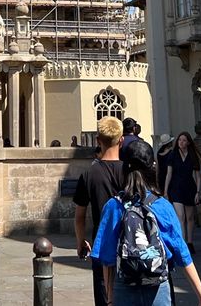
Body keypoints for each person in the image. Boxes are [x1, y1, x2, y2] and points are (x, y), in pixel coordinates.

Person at [92, 138, 201, 306]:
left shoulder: (114, 206)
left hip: (124, 285)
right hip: (158, 285)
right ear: (152, 166)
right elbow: (181, 251)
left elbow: (107, 258)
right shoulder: (162, 205)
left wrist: (110, 297)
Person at [73, 116, 127, 306]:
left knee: (104, 295)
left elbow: (80, 217)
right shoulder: (130, 172)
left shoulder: (89, 174)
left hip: (101, 241)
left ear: (98, 140)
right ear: (121, 139)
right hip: (129, 240)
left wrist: (81, 242)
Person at [161, 132, 200, 250]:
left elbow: (197, 175)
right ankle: (183, 243)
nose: (181, 142)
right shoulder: (173, 155)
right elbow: (169, 173)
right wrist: (166, 191)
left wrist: (198, 192)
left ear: (188, 142)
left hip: (189, 187)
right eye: (179, 140)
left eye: (183, 140)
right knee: (180, 216)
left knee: (189, 217)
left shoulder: (192, 155)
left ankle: (190, 241)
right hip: (176, 187)